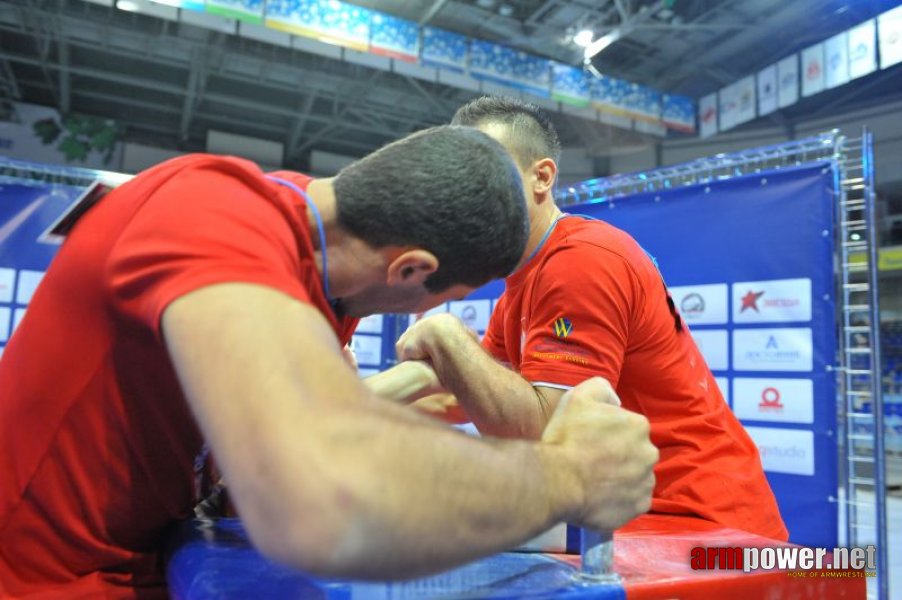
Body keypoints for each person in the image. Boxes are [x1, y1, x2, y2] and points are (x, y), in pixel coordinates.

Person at [0, 125, 658, 599]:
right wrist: (573, 475)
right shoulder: (211, 214)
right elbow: (322, 498)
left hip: (137, 563)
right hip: (41, 580)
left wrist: (389, 396)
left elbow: (305, 421)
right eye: (445, 301)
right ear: (410, 268)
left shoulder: (313, 261)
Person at [390, 97, 788, 541]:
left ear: (541, 177)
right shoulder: (523, 281)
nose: (467, 198)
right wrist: (347, 398)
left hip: (703, 524)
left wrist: (446, 335)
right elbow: (466, 395)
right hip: (651, 518)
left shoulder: (581, 260)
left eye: (486, 176)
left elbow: (543, 431)